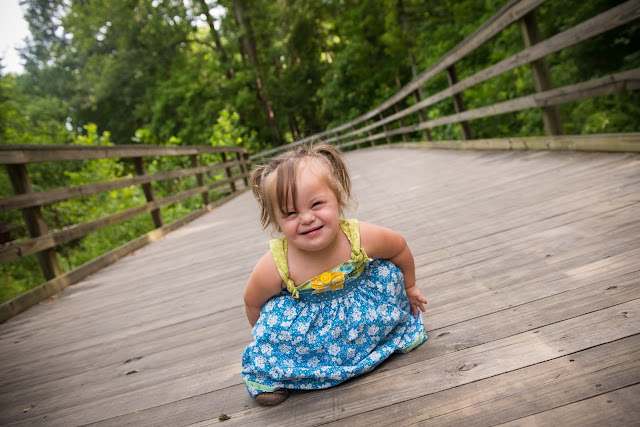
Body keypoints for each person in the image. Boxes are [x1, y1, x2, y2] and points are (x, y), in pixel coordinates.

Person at [241, 144, 428, 406]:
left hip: (364, 315)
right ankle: (277, 373)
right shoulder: (277, 263)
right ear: (276, 220)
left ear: (337, 199)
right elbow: (253, 302)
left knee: (388, 272)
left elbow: (398, 247)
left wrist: (410, 286)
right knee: (272, 320)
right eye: (291, 213)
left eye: (316, 204)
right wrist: (274, 345)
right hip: (314, 332)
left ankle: (391, 333)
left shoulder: (358, 237)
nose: (307, 218)